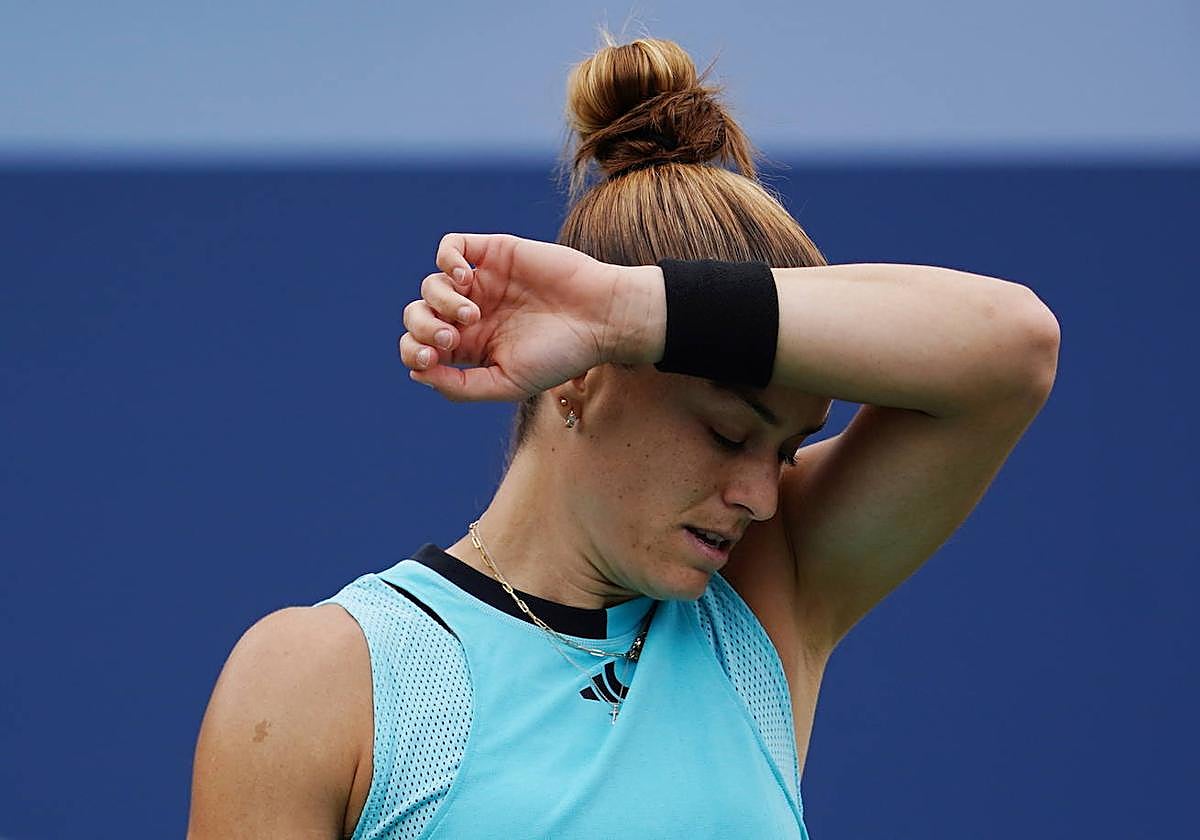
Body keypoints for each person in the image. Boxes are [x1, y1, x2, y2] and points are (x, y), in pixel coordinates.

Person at [187, 35, 1060, 839]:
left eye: (786, 449)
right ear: (577, 377)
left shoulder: (771, 591)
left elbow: (1013, 348)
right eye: (727, 434)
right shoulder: (319, 678)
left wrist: (624, 307)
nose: (760, 496)